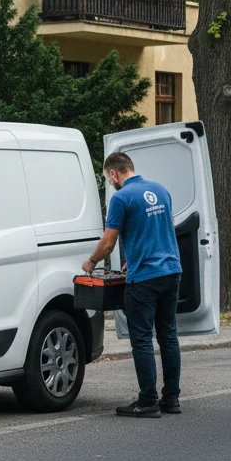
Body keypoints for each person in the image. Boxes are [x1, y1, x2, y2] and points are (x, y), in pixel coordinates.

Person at [82, 152, 183, 418]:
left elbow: (108, 243)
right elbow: (164, 230)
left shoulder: (121, 198)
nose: (110, 182)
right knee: (168, 336)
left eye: (108, 178)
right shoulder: (160, 191)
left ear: (114, 173)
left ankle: (148, 400)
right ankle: (171, 399)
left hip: (145, 278)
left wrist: (91, 262)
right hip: (171, 271)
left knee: (141, 339)